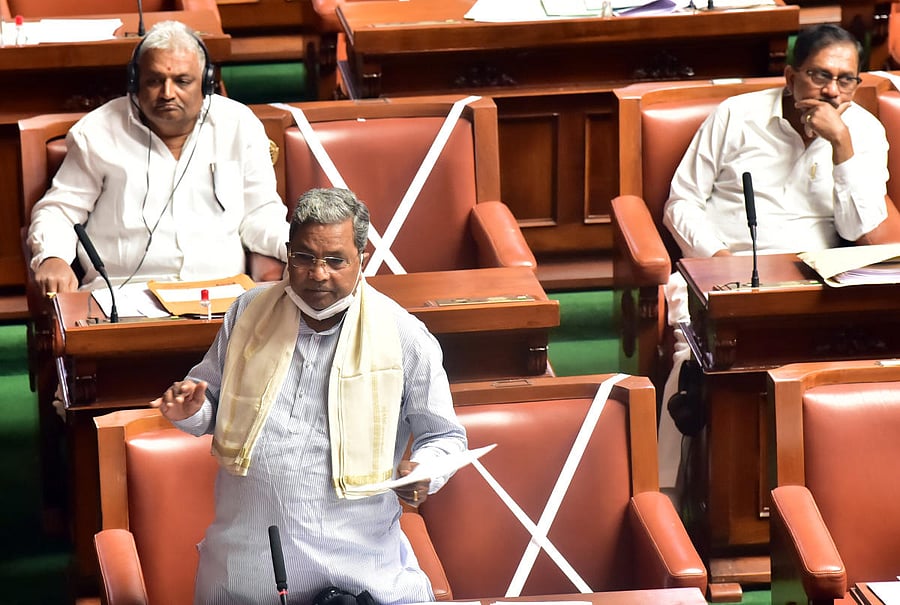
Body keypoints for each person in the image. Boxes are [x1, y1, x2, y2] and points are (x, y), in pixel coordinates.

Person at [151, 187, 468, 605]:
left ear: (362, 261)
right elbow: (211, 408)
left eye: (336, 261)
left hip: (364, 571)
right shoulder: (247, 313)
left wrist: (425, 470)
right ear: (287, 254)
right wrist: (192, 411)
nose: (318, 274)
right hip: (245, 572)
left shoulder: (403, 334)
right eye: (304, 258)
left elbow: (445, 438)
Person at [657, 24, 892, 496]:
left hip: (816, 280)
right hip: (726, 272)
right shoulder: (736, 116)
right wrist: (720, 263)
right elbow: (680, 203)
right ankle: (667, 498)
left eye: (846, 79)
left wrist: (842, 148)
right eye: (819, 75)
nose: (831, 90)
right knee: (692, 362)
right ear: (789, 75)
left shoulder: (863, 132)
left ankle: (845, 497)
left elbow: (857, 230)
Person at [27, 20, 288, 295]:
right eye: (154, 81)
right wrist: (52, 256)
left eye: (182, 81)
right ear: (135, 83)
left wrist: (295, 246)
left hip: (220, 294)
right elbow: (59, 210)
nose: (167, 93)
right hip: (122, 296)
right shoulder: (96, 132)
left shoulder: (238, 125)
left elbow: (260, 215)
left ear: (206, 82)